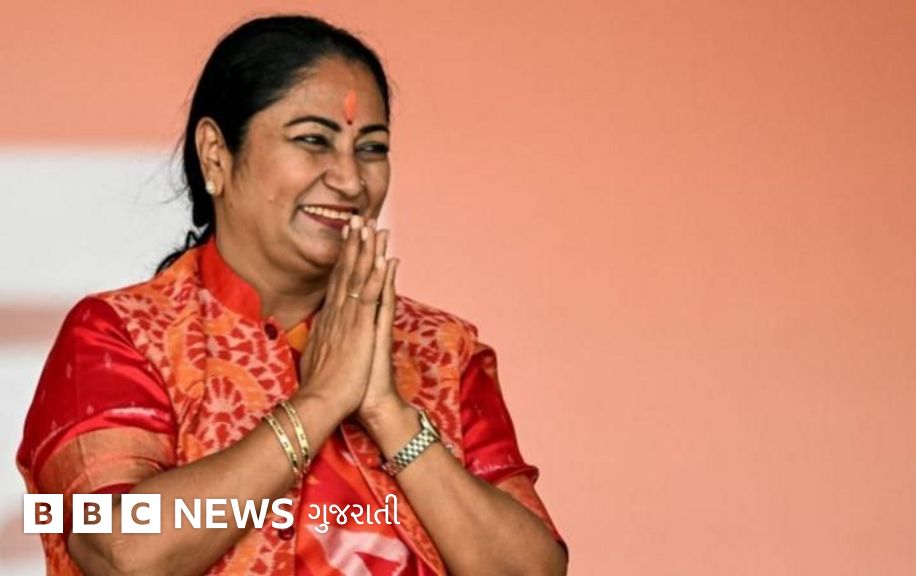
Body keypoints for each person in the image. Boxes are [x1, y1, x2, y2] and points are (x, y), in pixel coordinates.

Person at [16, 15, 567, 576]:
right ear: (215, 154)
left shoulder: (438, 350)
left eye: (371, 148)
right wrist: (321, 401)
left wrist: (388, 413)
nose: (350, 180)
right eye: (313, 140)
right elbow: (119, 552)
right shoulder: (122, 336)